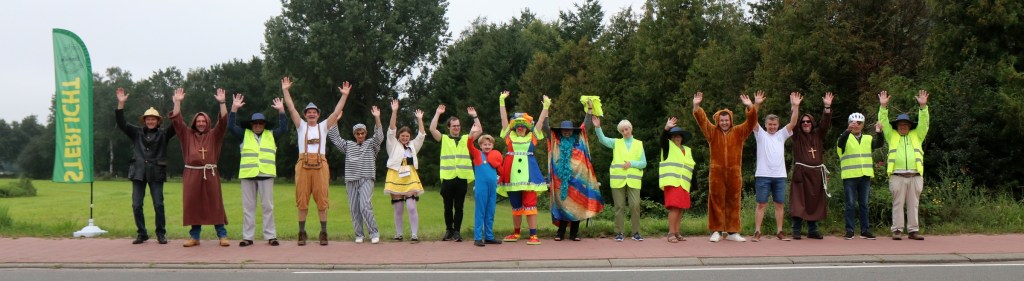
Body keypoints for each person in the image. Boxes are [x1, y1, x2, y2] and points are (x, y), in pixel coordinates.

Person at [280, 77, 347, 246]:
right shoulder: (301, 126)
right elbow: (291, 108)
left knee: (322, 200)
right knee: (302, 200)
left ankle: (323, 233)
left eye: (314, 112)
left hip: (320, 165)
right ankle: (301, 233)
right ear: (305, 115)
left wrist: (344, 95)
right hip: (303, 165)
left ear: (318, 115)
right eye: (308, 112)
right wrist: (285, 90)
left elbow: (336, 112)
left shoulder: (324, 126)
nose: (311, 114)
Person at [693, 91, 763, 242]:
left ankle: (732, 232)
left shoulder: (739, 132)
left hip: (734, 173)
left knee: (734, 201)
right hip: (716, 173)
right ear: (718, 121)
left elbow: (751, 122)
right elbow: (703, 121)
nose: (724, 123)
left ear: (731, 120)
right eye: (722, 120)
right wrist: (697, 106)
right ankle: (716, 231)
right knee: (716, 200)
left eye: (726, 120)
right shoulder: (712, 132)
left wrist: (751, 106)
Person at [170, 88, 230, 247]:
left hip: (210, 173)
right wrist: (177, 102)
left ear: (207, 122)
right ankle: (194, 237)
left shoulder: (214, 135)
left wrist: (222, 103)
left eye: (203, 121)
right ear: (195, 123)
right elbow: (177, 121)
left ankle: (222, 235)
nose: (201, 123)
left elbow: (224, 122)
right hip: (192, 173)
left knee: (215, 203)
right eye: (198, 121)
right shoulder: (187, 135)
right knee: (193, 204)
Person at [115, 87, 175, 245]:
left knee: (158, 204)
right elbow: (121, 123)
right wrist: (121, 104)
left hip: (156, 173)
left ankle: (161, 233)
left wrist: (177, 104)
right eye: (148, 119)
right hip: (138, 172)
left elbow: (176, 125)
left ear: (158, 121)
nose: (150, 121)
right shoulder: (136, 132)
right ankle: (142, 233)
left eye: (153, 119)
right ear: (144, 120)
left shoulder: (164, 134)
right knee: (136, 205)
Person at [227, 94, 288, 247]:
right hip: (248, 175)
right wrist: (234, 108)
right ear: (251, 124)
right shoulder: (244, 134)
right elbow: (231, 126)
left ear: (264, 124)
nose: (258, 125)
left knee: (268, 207)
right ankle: (248, 237)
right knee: (248, 208)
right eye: (255, 123)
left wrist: (281, 111)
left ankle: (271, 236)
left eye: (260, 123)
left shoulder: (271, 135)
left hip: (266, 175)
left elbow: (284, 128)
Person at [327, 92, 384, 245]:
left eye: (362, 133)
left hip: (366, 178)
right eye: (357, 133)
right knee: (354, 208)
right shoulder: (348, 145)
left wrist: (377, 118)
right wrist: (335, 120)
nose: (360, 135)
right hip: (351, 180)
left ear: (366, 133)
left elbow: (379, 137)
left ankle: (374, 232)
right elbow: (334, 138)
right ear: (354, 134)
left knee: (365, 205)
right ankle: (359, 234)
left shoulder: (371, 144)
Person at [498, 91, 550, 245]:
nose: (520, 128)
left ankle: (533, 235)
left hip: (529, 177)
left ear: (527, 128)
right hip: (512, 177)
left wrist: (546, 107)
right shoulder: (509, 137)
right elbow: (503, 120)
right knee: (516, 206)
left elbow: (540, 122)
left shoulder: (532, 137)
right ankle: (516, 233)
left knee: (530, 205)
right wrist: (502, 102)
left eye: (523, 126)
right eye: (518, 126)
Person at [878, 90, 930, 241]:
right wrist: (883, 106)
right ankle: (897, 230)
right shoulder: (891, 135)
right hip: (897, 175)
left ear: (909, 126)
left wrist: (923, 107)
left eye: (905, 124)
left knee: (914, 205)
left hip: (915, 175)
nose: (902, 126)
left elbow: (924, 123)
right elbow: (883, 121)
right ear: (897, 126)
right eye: (900, 124)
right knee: (898, 204)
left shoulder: (917, 135)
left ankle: (913, 231)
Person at [548, 103, 603, 242]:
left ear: (573, 131)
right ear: (561, 131)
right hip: (561, 182)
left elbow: (586, 125)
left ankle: (574, 234)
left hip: (579, 180)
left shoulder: (579, 140)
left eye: (569, 130)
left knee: (577, 206)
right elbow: (546, 128)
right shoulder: (556, 141)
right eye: (564, 130)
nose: (567, 132)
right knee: (562, 206)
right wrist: (546, 109)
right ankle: (560, 233)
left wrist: (589, 110)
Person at [750, 92, 800, 242]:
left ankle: (780, 231)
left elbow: (793, 123)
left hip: (780, 176)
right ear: (765, 125)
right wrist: (756, 104)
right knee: (761, 204)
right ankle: (757, 232)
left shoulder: (781, 135)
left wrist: (795, 107)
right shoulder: (760, 134)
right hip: (763, 175)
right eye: (770, 124)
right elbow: (752, 120)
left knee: (779, 204)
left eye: (774, 125)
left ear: (778, 125)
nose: (772, 127)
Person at [592, 115, 646, 242]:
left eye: (626, 129)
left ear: (631, 129)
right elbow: (603, 140)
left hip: (633, 180)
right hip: (618, 179)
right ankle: (619, 233)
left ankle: (636, 232)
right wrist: (598, 128)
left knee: (635, 206)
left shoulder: (639, 144)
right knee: (619, 206)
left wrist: (632, 164)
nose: (625, 132)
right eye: (622, 130)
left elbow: (643, 163)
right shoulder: (616, 142)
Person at [789, 92, 834, 240]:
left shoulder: (818, 135)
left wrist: (827, 107)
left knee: (814, 202)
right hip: (801, 173)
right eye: (803, 122)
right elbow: (793, 123)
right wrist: (795, 107)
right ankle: (796, 230)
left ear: (812, 123)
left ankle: (812, 230)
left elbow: (825, 123)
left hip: (816, 174)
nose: (805, 123)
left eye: (808, 121)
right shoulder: (797, 136)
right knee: (798, 201)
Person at [429, 104, 474, 242]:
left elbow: (479, 130)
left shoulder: (466, 138)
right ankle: (449, 230)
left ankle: (457, 232)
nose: (456, 128)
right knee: (447, 206)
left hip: (461, 177)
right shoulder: (444, 138)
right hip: (448, 178)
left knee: (459, 206)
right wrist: (438, 113)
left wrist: (475, 116)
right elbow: (432, 129)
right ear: (449, 127)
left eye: (458, 126)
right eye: (454, 126)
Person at [384, 99, 427, 243]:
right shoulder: (393, 144)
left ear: (410, 137)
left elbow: (421, 135)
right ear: (399, 136)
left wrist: (419, 119)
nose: (405, 138)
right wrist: (394, 111)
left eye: (407, 136)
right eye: (402, 136)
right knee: (398, 208)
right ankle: (399, 234)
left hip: (410, 176)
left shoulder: (413, 146)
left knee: (411, 206)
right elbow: (391, 129)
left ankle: (414, 234)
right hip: (395, 175)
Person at [837, 112, 884, 240]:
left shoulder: (868, 138)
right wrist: (847, 131)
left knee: (864, 204)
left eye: (859, 123)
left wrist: (879, 132)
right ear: (849, 123)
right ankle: (850, 230)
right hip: (850, 176)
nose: (856, 125)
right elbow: (840, 144)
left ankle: (865, 230)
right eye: (853, 122)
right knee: (850, 204)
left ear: (863, 125)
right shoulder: (843, 137)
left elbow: (879, 144)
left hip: (865, 175)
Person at [465, 107, 503, 247]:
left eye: (489, 144)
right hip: (481, 188)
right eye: (484, 144)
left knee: (490, 212)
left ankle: (489, 236)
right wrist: (471, 133)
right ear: (480, 145)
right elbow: (469, 144)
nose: (487, 146)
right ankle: (477, 237)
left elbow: (501, 170)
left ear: (492, 145)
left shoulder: (495, 156)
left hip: (492, 188)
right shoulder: (477, 154)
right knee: (480, 212)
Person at [658, 117, 695, 243]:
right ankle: (671, 233)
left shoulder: (687, 150)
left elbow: (690, 168)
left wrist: (693, 185)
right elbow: (662, 139)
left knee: (680, 208)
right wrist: (666, 129)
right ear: (671, 138)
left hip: (684, 184)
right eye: (674, 136)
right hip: (672, 182)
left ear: (682, 138)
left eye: (679, 136)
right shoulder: (668, 147)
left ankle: (677, 232)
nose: (677, 138)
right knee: (674, 208)